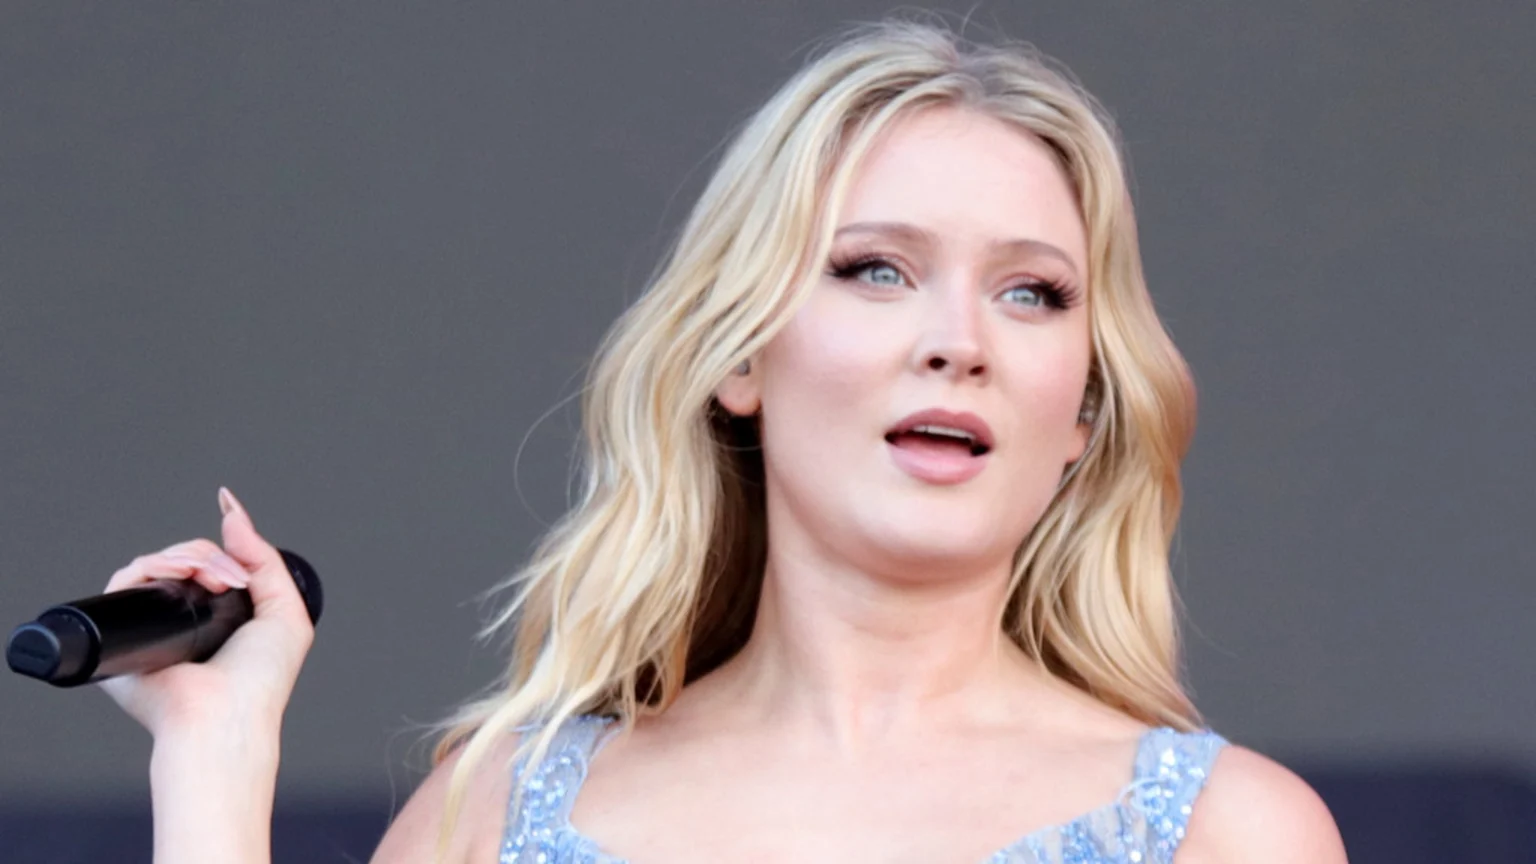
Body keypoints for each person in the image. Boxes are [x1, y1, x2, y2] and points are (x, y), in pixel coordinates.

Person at [100, 18, 1348, 864]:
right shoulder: (499, 805)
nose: (960, 339)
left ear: (1080, 413)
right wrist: (217, 759)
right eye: (875, 269)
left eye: (1033, 293)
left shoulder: (1225, 833)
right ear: (739, 357)